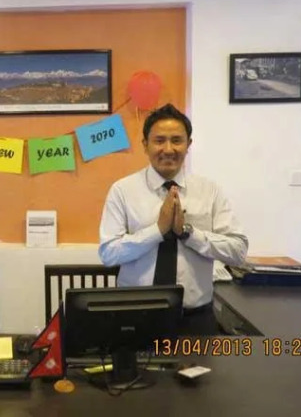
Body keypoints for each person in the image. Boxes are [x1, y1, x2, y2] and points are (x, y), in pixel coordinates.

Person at [98, 104, 248, 335]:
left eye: (177, 140)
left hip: (195, 319)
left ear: (189, 144)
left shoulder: (210, 191)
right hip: (135, 317)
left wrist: (187, 233)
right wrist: (157, 231)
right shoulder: (123, 191)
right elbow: (108, 254)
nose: (168, 149)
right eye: (159, 140)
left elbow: (238, 251)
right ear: (145, 145)